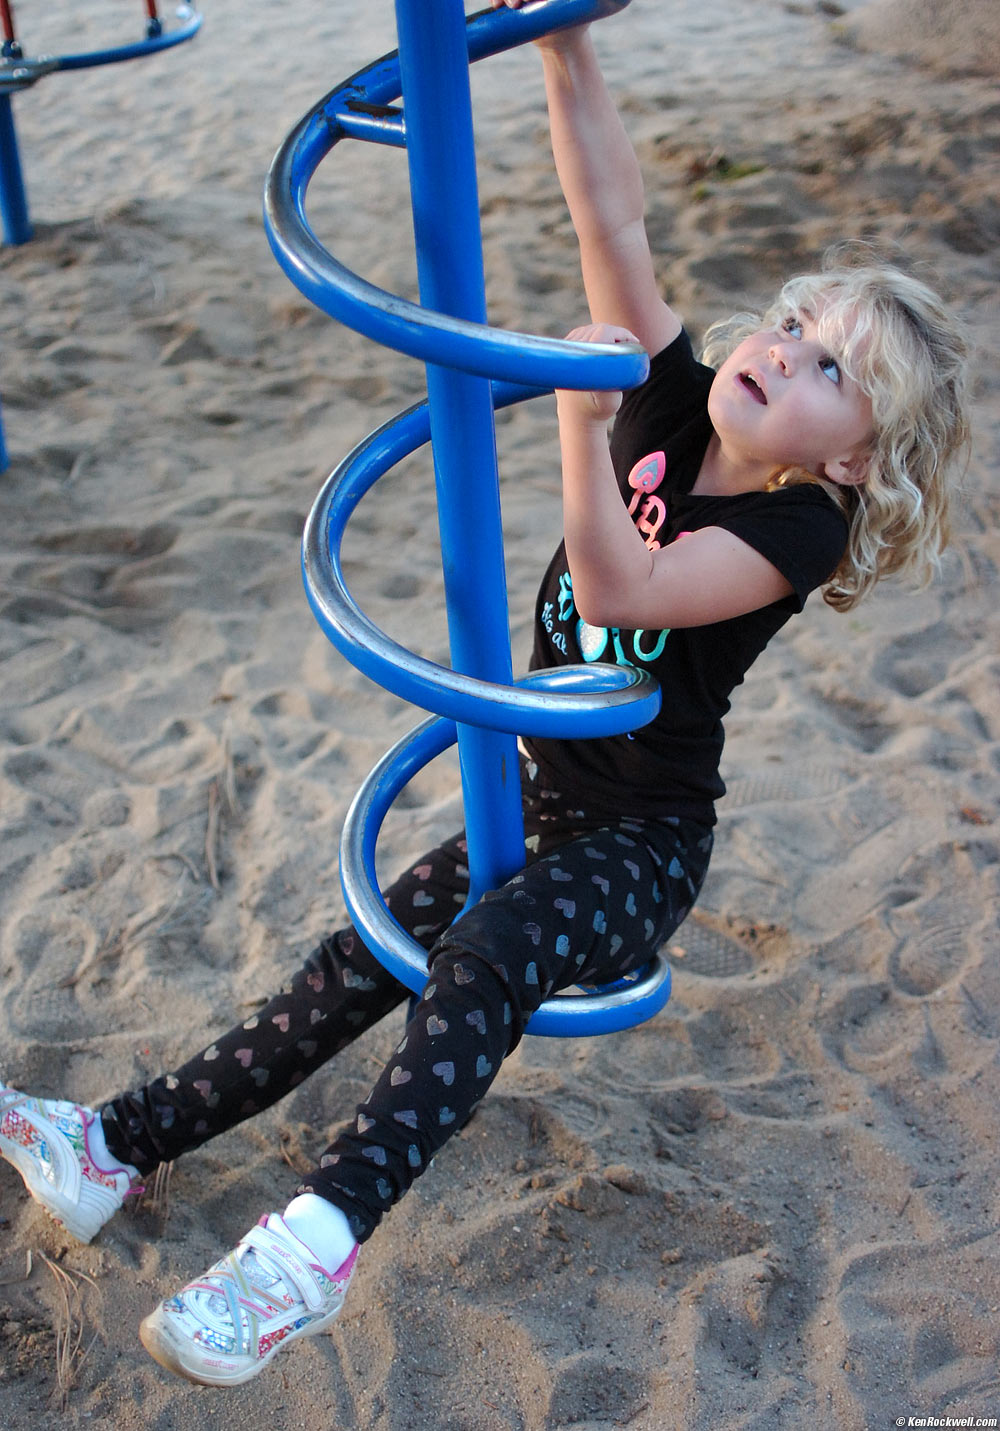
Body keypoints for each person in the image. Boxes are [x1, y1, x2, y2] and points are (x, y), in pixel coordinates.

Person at [0, 1, 970, 1391]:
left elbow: (625, 593)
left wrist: (578, 418)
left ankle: (311, 1254)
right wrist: (567, 43)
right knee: (359, 958)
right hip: (541, 787)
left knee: (483, 959)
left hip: (638, 843)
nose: (790, 346)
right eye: (802, 319)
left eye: (835, 371)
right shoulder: (678, 395)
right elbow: (616, 223)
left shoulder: (793, 536)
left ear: (858, 463)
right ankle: (112, 1147)